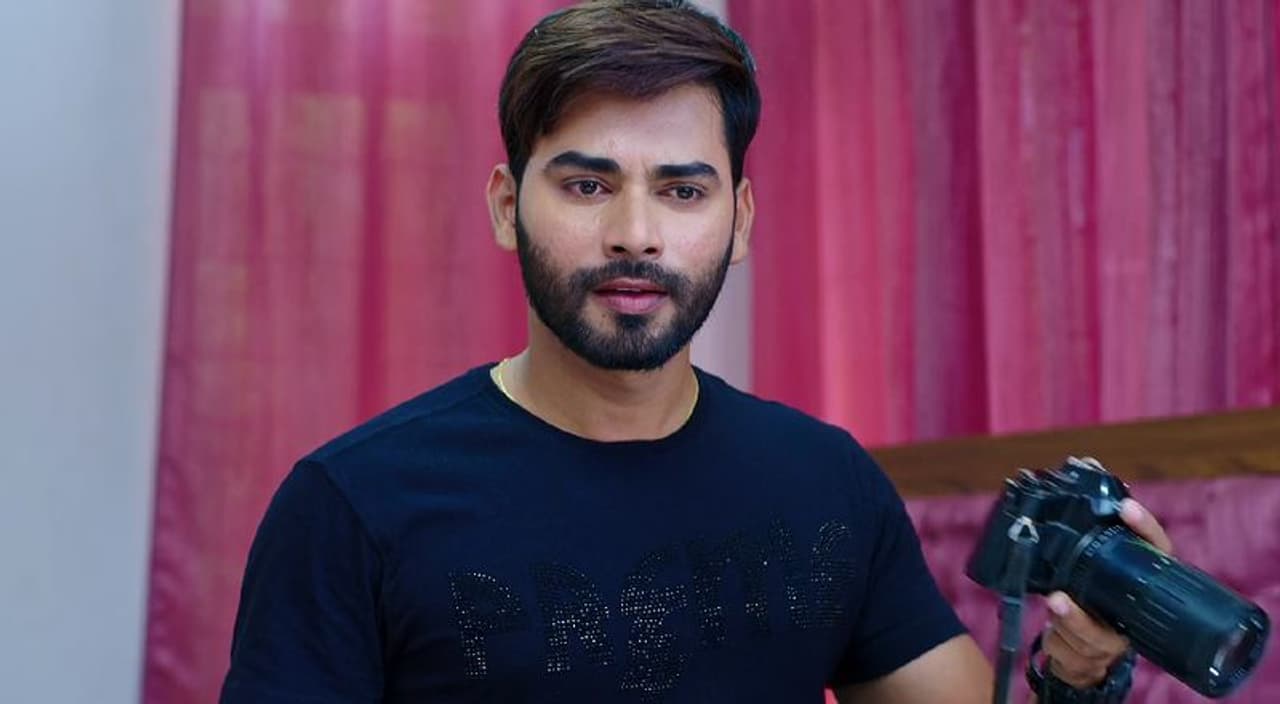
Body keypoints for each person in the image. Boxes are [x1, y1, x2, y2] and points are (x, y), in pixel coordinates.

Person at [220, 2, 1173, 702]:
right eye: (588, 186)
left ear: (739, 220)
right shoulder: (354, 505)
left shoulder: (825, 481)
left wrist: (1083, 667)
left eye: (683, 192)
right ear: (508, 208)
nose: (636, 235)